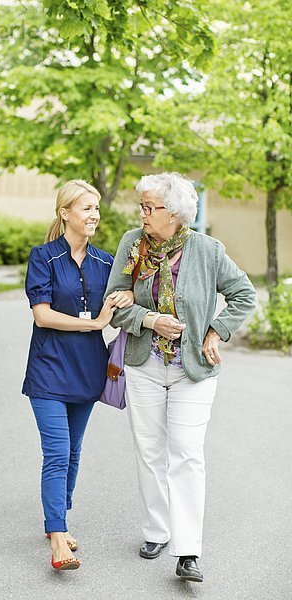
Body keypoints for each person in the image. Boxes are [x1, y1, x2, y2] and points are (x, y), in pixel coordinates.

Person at [104, 172, 257, 582]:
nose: (142, 213)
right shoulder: (132, 244)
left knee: (187, 454)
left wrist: (215, 330)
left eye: (149, 207)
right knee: (150, 450)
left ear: (174, 214)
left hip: (193, 370)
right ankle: (157, 530)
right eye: (142, 206)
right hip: (144, 365)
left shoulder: (207, 250)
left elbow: (245, 294)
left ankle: (187, 550)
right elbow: (114, 305)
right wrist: (151, 319)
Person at [22, 179, 133, 571]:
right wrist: (95, 323)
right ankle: (57, 538)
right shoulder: (44, 257)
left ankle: (59, 519)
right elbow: (42, 314)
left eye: (97, 209)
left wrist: (127, 297)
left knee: (72, 453)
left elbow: (126, 293)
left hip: (88, 371)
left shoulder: (106, 262)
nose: (94, 215)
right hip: (49, 370)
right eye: (86, 208)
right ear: (65, 212)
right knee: (56, 453)